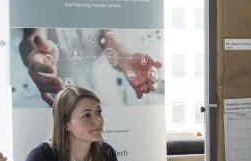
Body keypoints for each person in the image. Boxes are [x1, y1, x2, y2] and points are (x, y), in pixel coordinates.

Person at [19, 27, 162, 106]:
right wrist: (34, 55)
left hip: (104, 97)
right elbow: (32, 37)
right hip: (61, 102)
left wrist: (126, 61)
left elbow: (108, 38)